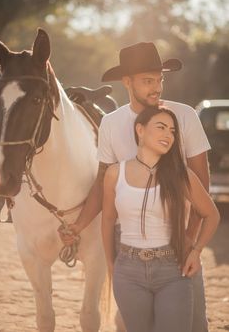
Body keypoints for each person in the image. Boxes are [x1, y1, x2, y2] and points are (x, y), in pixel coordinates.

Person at [59, 42, 212, 331]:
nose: (156, 88)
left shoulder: (185, 117)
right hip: (129, 245)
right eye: (147, 81)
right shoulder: (111, 124)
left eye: (159, 80)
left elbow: (200, 181)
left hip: (179, 241)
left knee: (193, 324)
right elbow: (102, 185)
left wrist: (191, 240)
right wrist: (77, 226)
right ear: (126, 82)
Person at [102, 105, 220, 332]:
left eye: (173, 131)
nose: (168, 134)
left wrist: (196, 250)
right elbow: (107, 220)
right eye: (161, 127)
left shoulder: (180, 174)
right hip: (128, 270)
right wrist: (111, 264)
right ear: (140, 130)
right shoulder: (114, 174)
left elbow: (211, 214)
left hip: (172, 270)